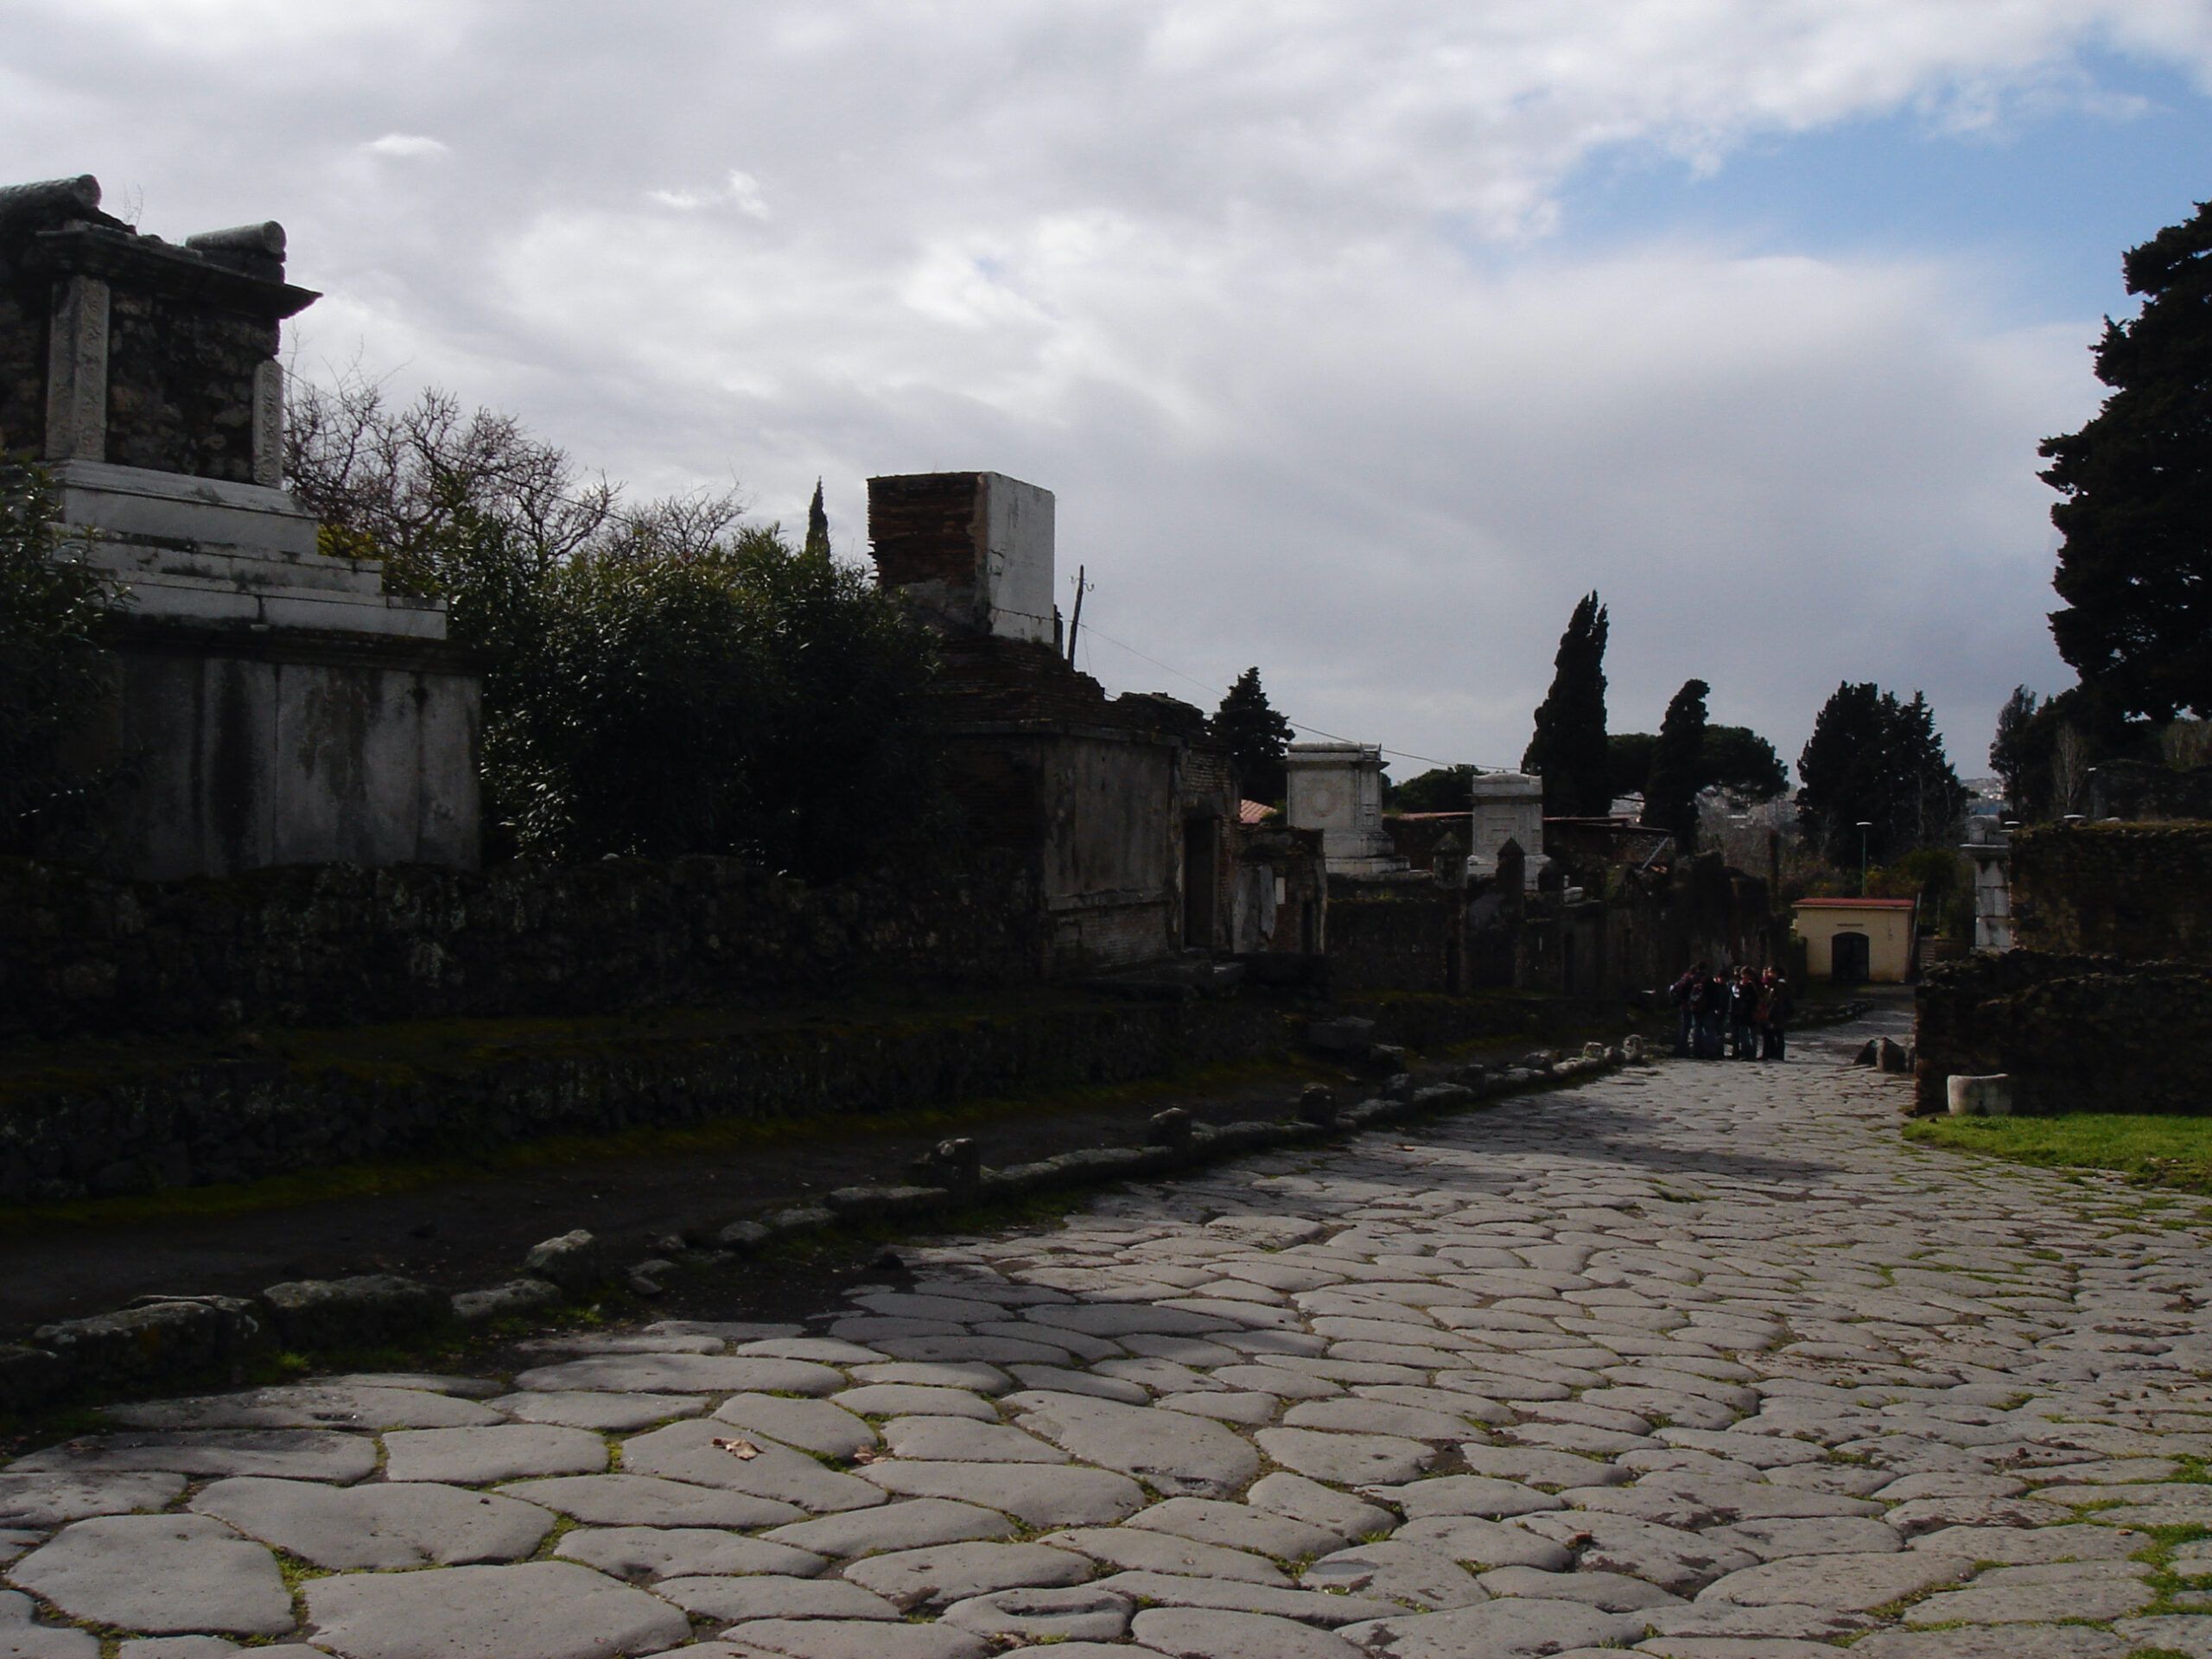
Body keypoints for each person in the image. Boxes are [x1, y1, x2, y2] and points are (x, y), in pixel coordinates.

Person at [1669, 963, 1703, 1058]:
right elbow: (1690, 995)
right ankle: (1682, 1050)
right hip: (1686, 1006)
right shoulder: (1689, 981)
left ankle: (1682, 1049)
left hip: (1682, 1005)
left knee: (1685, 1028)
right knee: (1686, 1028)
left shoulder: (1682, 979)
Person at [1728, 966, 1758, 1059]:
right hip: (1741, 1014)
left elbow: (1754, 999)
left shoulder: (1751, 986)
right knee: (1743, 1035)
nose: (1743, 977)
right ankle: (1746, 1053)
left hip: (1749, 1013)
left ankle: (1751, 1054)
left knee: (1750, 1035)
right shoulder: (1739, 985)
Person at [1763, 973, 1793, 1060]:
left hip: (1776, 1016)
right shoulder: (1772, 989)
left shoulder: (1777, 990)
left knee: (1778, 1036)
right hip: (1776, 1016)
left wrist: (1768, 1016)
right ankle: (1772, 1053)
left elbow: (1774, 1005)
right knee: (1773, 1036)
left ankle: (1778, 1054)